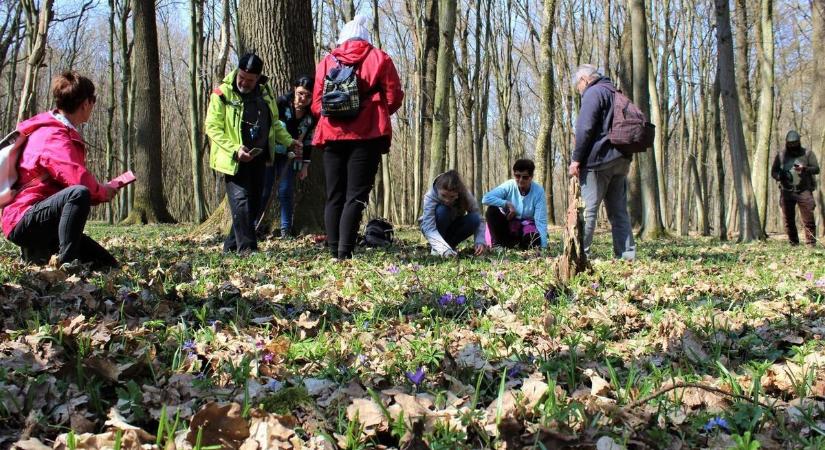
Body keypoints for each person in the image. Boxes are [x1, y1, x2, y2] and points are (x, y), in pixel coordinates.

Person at [1, 71, 118, 269]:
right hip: (23, 218)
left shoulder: (56, 130)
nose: (93, 105)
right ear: (85, 103)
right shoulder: (53, 135)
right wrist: (103, 191)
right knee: (78, 193)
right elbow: (77, 180)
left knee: (107, 265)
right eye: (93, 100)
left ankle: (39, 253)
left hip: (44, 219)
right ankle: (67, 266)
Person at [312, 15, 403, 259]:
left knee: (334, 195)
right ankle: (345, 252)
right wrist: (375, 111)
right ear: (365, 38)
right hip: (367, 135)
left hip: (332, 135)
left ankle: (334, 251)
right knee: (355, 196)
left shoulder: (326, 62)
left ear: (342, 38)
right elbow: (394, 96)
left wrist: (337, 115)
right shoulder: (380, 58)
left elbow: (316, 104)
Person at [205, 53, 302, 253]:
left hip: (259, 157)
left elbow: (274, 123)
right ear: (237, 71)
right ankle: (247, 250)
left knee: (256, 203)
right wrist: (235, 148)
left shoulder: (265, 92)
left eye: (250, 80)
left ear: (258, 78)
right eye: (242, 77)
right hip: (233, 159)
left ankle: (231, 246)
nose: (244, 83)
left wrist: (288, 141)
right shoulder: (222, 94)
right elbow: (212, 127)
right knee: (241, 202)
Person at [568, 64, 635, 261]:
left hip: (598, 161)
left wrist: (576, 159)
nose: (579, 91)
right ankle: (627, 256)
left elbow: (585, 128)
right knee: (619, 212)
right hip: (621, 159)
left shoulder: (593, 93)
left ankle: (581, 255)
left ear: (584, 80)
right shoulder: (615, 92)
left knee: (588, 211)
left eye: (578, 87)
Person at [259, 75, 316, 238]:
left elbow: (309, 141)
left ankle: (286, 229)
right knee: (264, 189)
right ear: (294, 89)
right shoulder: (281, 103)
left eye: (308, 95)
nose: (303, 98)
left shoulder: (311, 115)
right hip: (270, 152)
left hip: (290, 157)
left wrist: (305, 166)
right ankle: (256, 225)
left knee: (285, 190)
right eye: (300, 93)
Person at [481, 159, 548, 250]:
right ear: (514, 175)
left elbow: (541, 221)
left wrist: (544, 247)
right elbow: (486, 198)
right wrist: (506, 203)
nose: (520, 180)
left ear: (531, 177)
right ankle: (498, 245)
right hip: (507, 226)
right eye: (517, 176)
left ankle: (518, 246)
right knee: (491, 210)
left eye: (525, 177)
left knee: (534, 240)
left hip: (526, 227)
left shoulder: (538, 191)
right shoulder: (509, 185)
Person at [419, 170, 486, 257]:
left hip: (453, 228)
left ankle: (449, 246)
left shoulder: (466, 195)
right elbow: (429, 227)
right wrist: (443, 249)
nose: (447, 200)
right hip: (435, 229)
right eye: (443, 195)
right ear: (438, 190)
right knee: (443, 210)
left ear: (458, 193)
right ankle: (437, 248)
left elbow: (480, 219)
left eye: (452, 197)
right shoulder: (430, 196)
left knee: (475, 218)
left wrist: (480, 241)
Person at [771, 130, 820, 247]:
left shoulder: (807, 154)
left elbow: (816, 169)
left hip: (804, 191)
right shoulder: (781, 156)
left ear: (799, 142)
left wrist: (805, 168)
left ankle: (811, 243)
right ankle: (793, 243)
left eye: (795, 143)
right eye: (790, 143)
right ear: (787, 143)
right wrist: (780, 176)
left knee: (808, 219)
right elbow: (774, 172)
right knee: (788, 220)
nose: (792, 145)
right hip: (786, 191)